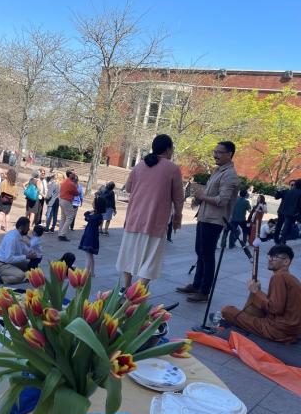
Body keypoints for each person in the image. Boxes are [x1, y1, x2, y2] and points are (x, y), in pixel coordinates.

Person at [116, 134, 184, 289]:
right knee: (151, 261)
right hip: (155, 222)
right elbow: (178, 199)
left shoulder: (139, 165)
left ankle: (125, 289)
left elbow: (128, 188)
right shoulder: (172, 169)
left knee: (128, 257)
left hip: (133, 219)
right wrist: (177, 217)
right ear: (168, 149)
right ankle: (134, 295)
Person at [177, 141, 239, 303]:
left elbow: (222, 200)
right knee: (200, 251)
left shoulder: (230, 175)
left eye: (219, 152)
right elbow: (210, 194)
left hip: (215, 220)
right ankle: (197, 285)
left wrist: (202, 197)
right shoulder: (218, 171)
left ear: (230, 154)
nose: (215, 155)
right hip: (205, 217)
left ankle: (204, 291)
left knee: (207, 254)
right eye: (215, 151)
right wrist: (199, 200)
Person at [221, 244, 301, 343]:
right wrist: (257, 292)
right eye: (270, 256)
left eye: (275, 257)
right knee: (255, 297)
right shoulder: (290, 278)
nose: (270, 259)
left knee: (227, 310)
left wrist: (257, 292)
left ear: (286, 261)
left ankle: (241, 322)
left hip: (277, 330)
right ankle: (244, 320)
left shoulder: (279, 277)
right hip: (289, 328)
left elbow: (276, 309)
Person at [0, 216, 37, 285]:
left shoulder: (18, 235)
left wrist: (30, 252)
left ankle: (17, 274)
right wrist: (26, 257)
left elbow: (23, 247)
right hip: (2, 264)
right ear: (21, 228)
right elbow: (9, 259)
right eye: (27, 227)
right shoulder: (12, 238)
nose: (29, 229)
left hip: (9, 262)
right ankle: (2, 279)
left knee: (31, 265)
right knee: (20, 276)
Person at [79, 195, 106, 277]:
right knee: (90, 255)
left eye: (94, 203)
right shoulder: (97, 214)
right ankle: (92, 272)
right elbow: (86, 214)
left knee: (88, 255)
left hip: (90, 236)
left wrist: (92, 212)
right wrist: (93, 210)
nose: (92, 203)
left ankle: (86, 272)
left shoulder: (97, 216)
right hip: (91, 235)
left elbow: (87, 216)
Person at [274, 179, 301, 244]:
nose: (292, 186)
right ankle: (280, 241)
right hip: (289, 213)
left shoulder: (287, 192)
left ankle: (280, 240)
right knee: (284, 228)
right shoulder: (286, 191)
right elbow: (276, 197)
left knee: (285, 228)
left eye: (293, 185)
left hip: (284, 211)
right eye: (291, 185)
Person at [58, 170, 79, 242]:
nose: (75, 174)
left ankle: (60, 233)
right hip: (66, 201)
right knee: (70, 217)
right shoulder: (71, 183)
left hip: (61, 199)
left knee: (63, 217)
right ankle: (62, 234)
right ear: (70, 175)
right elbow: (77, 193)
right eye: (73, 174)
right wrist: (76, 184)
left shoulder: (64, 181)